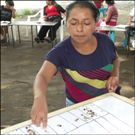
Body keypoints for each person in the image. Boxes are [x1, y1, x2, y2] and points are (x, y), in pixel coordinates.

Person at [31, 1, 120, 127]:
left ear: (96, 23)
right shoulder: (60, 52)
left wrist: (115, 75)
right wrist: (39, 98)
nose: (79, 29)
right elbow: (42, 76)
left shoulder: (105, 42)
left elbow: (115, 59)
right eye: (73, 23)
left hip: (107, 102)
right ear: (66, 23)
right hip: (77, 109)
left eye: (86, 23)